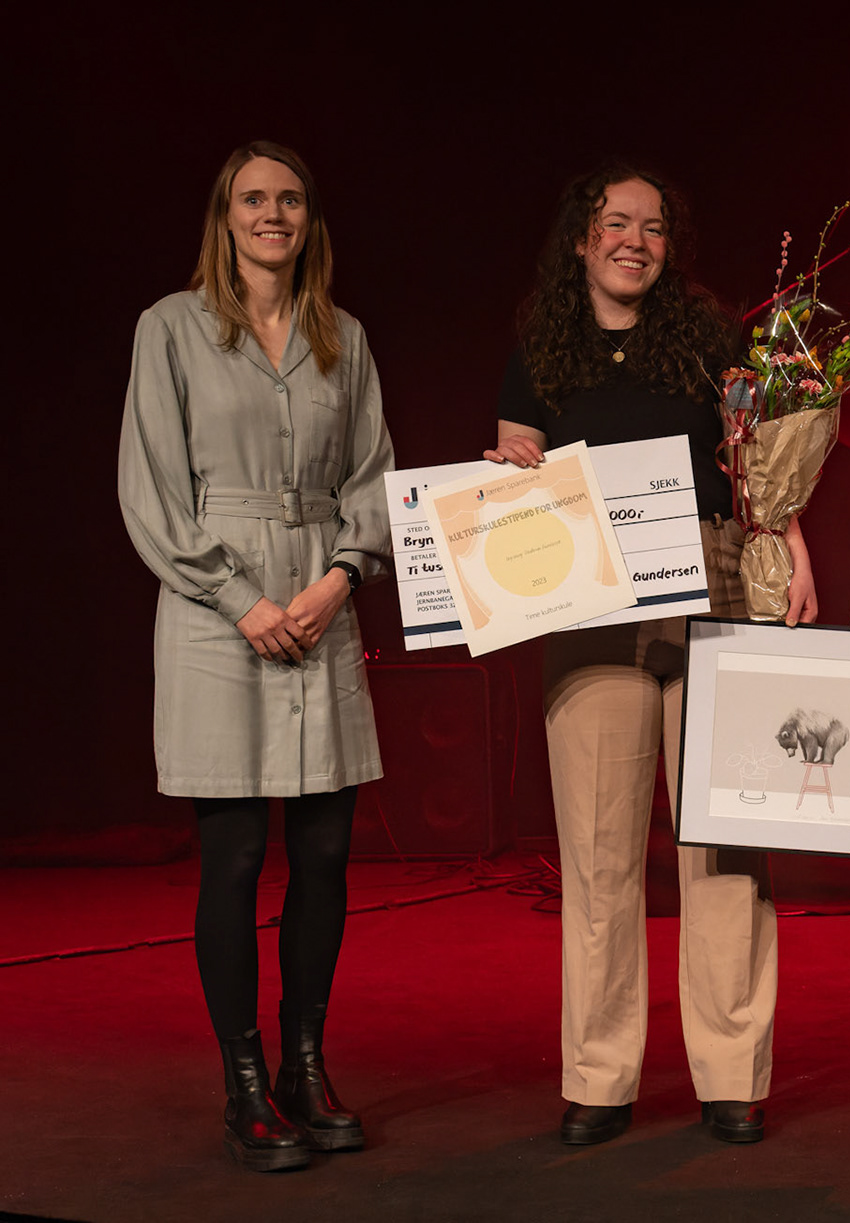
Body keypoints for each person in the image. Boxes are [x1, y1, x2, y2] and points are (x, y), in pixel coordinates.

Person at [488, 162, 815, 1146]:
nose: (635, 240)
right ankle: (599, 1075)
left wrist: (794, 551)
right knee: (597, 851)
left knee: (725, 841)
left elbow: (758, 463)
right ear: (581, 238)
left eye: (654, 226)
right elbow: (512, 460)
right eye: (616, 222)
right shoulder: (540, 347)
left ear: (671, 246)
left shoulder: (711, 338)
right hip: (591, 598)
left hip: (713, 578)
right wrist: (509, 477)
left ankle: (732, 1074)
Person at [118, 141, 395, 1171]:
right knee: (235, 859)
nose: (272, 214)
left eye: (289, 199)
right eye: (253, 199)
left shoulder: (343, 338)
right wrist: (242, 600)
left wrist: (338, 580)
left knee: (323, 855)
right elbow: (152, 490)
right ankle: (244, 1085)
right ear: (225, 217)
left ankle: (303, 1067)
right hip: (215, 615)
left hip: (321, 606)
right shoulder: (170, 328)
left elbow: (372, 476)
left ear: (309, 218)